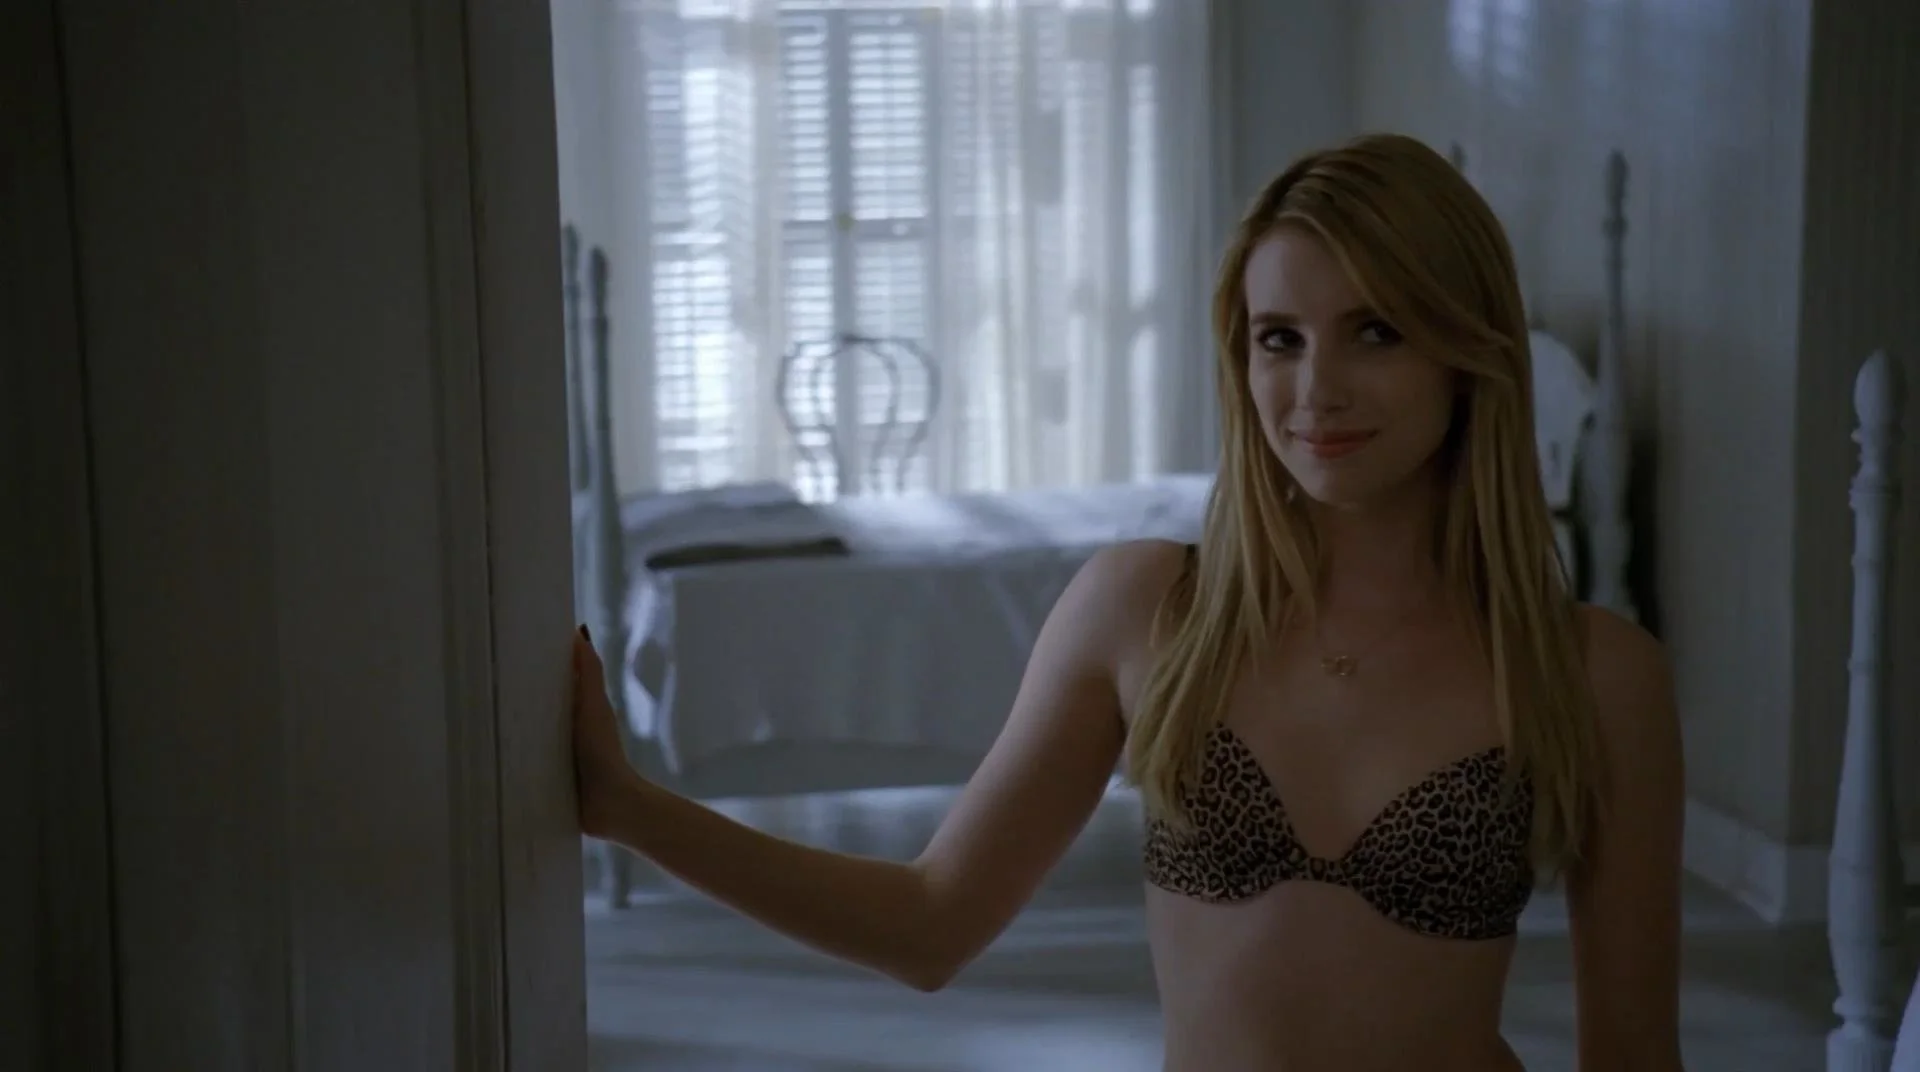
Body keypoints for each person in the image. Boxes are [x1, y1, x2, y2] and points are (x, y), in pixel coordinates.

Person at [569, 132, 1686, 1072]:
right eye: (1280, 339)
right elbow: (927, 923)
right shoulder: (1147, 608)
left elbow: (1633, 1054)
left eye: (1377, 332)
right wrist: (630, 808)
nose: (1317, 391)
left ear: (1467, 354)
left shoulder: (1592, 672)